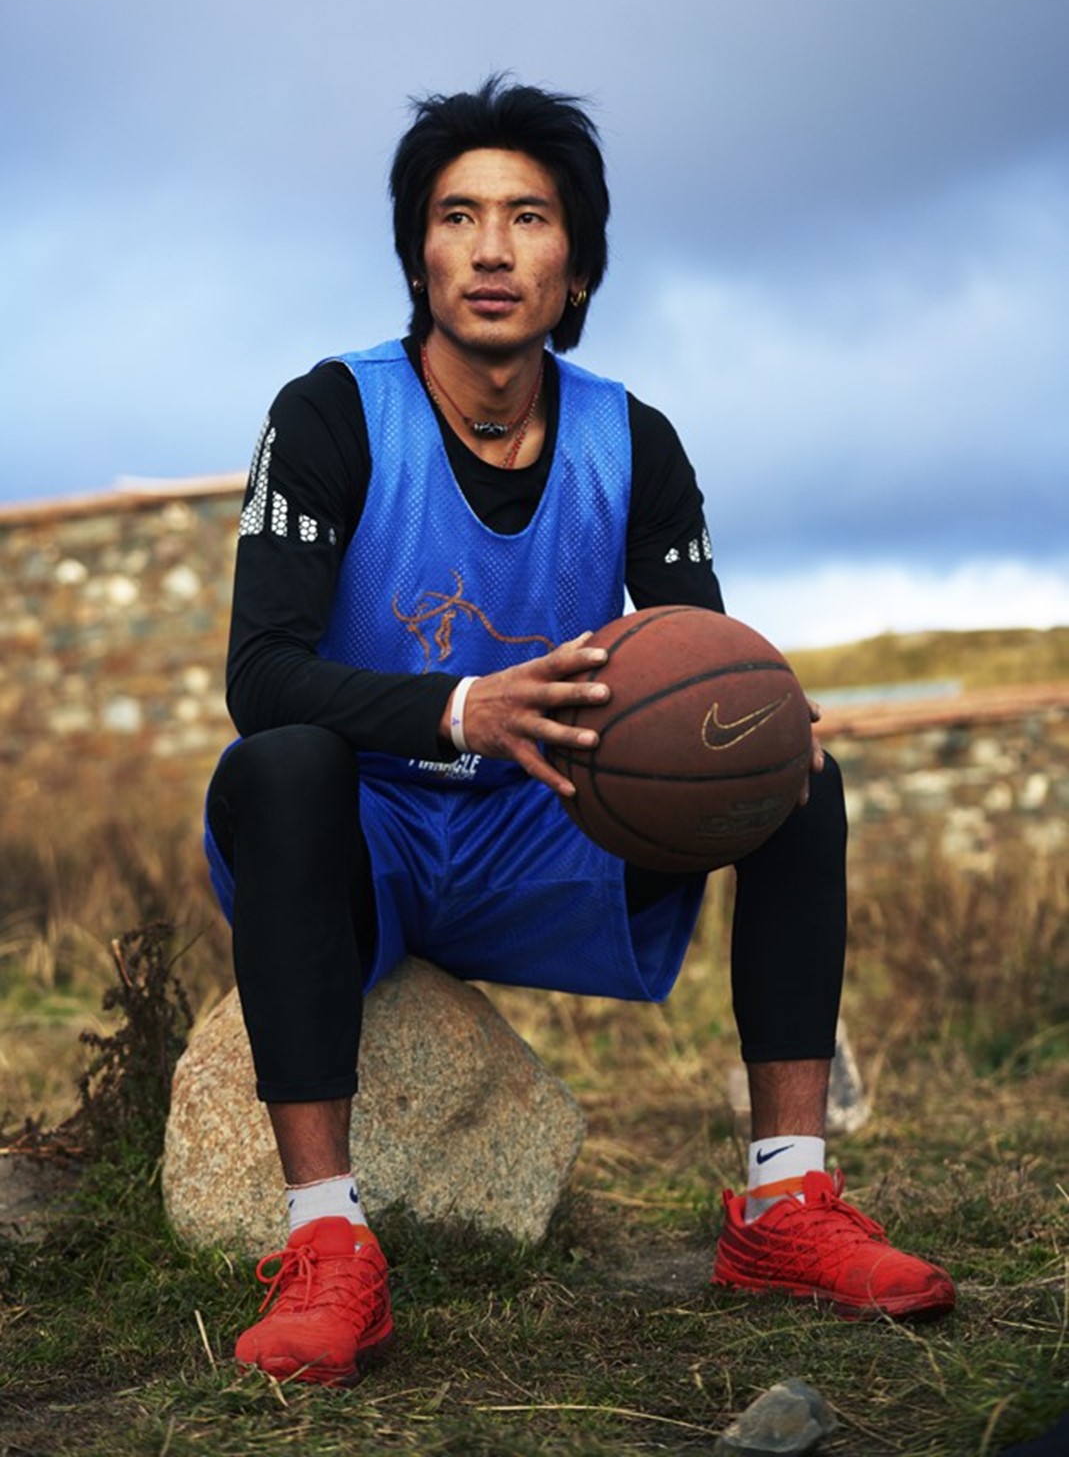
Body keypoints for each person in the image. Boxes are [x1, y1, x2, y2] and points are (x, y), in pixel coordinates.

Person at [203, 76, 955, 1386]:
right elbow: (260, 675)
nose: (491, 249)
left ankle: (785, 1204)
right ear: (418, 257)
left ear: (580, 266)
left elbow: (703, 679)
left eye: (529, 218)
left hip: (538, 838)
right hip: (359, 840)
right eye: (457, 217)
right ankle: (327, 1242)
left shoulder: (631, 441)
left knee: (787, 774)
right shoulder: (329, 415)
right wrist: (463, 709)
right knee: (280, 761)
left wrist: (764, 726)